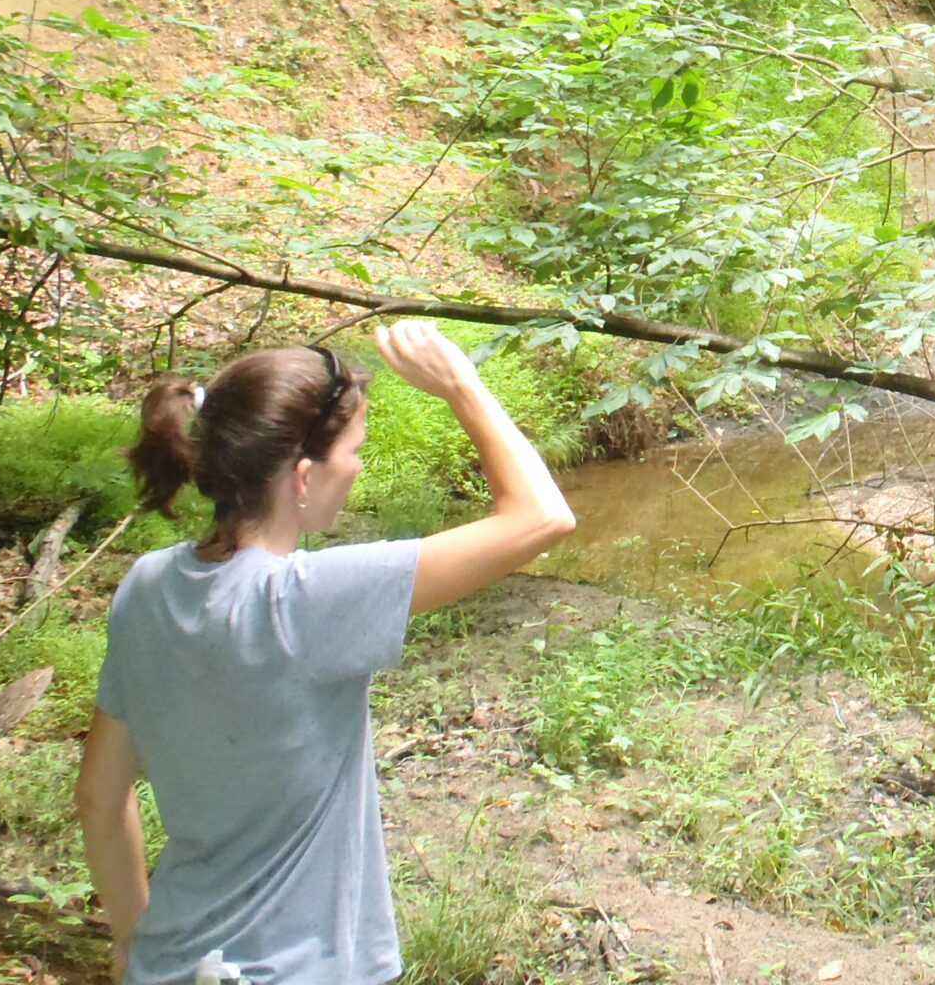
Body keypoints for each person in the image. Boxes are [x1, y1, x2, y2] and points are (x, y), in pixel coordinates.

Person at [74, 319, 576, 985]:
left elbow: (99, 797)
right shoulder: (308, 599)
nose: (359, 467)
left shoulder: (146, 586)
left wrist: (134, 941)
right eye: (354, 451)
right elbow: (543, 517)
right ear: (304, 476)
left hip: (171, 964)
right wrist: (462, 385)